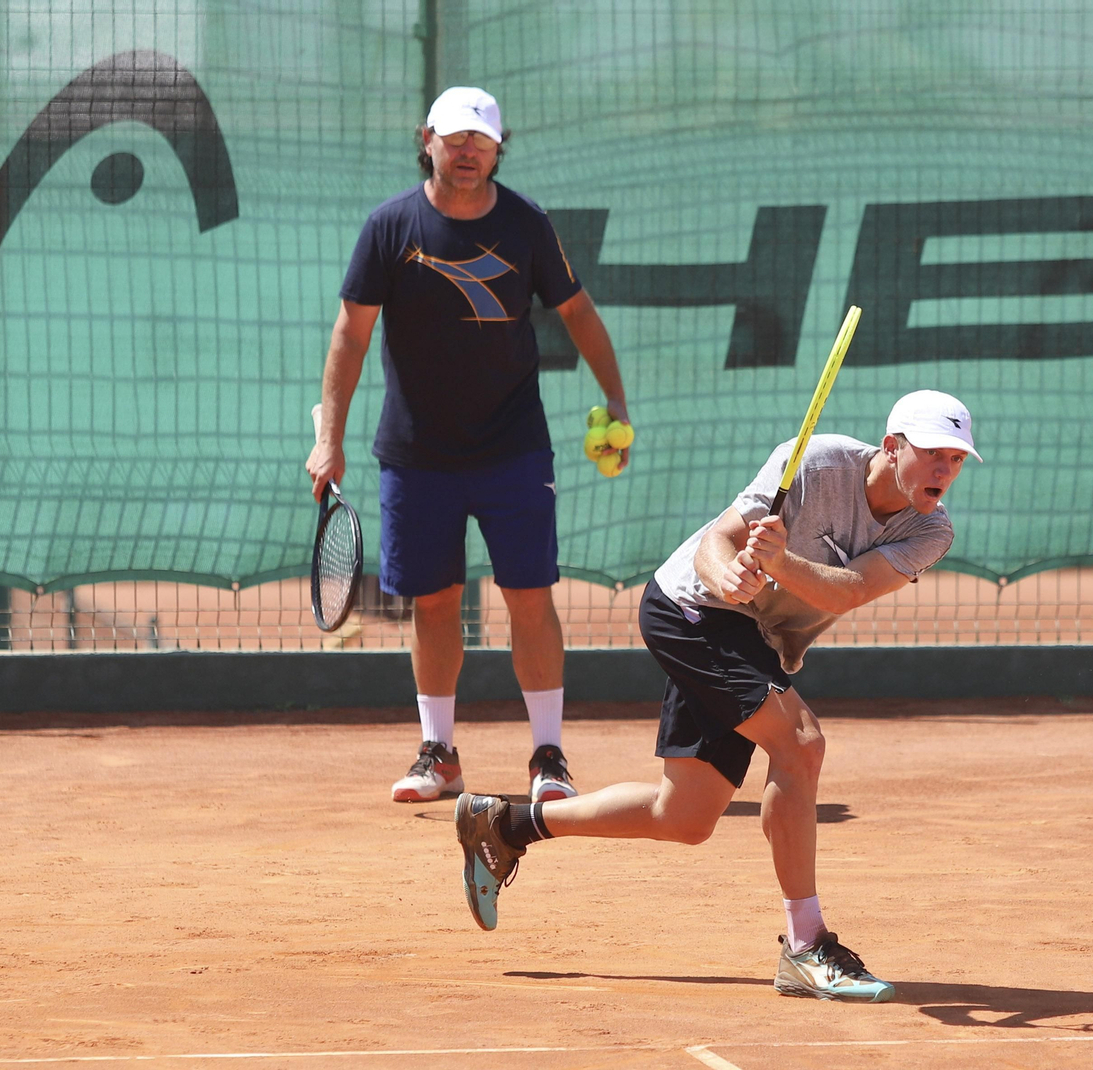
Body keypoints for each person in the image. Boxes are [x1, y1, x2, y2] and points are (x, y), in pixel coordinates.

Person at [454, 390, 981, 1002]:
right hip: (692, 609)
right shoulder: (814, 462)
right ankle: (806, 946)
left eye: (957, 459)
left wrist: (778, 563)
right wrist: (727, 573)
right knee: (801, 744)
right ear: (893, 447)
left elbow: (848, 592)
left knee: (683, 818)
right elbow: (716, 540)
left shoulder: (930, 531)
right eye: (934, 454)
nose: (946, 470)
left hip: (756, 639)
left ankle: (507, 822)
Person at [306, 87, 629, 804]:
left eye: (479, 140)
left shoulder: (527, 225)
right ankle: (439, 755)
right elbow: (349, 335)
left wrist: (616, 399)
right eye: (454, 138)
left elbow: (576, 310)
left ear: (497, 145)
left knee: (529, 597)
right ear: (427, 139)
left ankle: (549, 758)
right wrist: (329, 436)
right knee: (434, 602)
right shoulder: (389, 227)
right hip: (417, 454)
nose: (467, 151)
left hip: (513, 447)